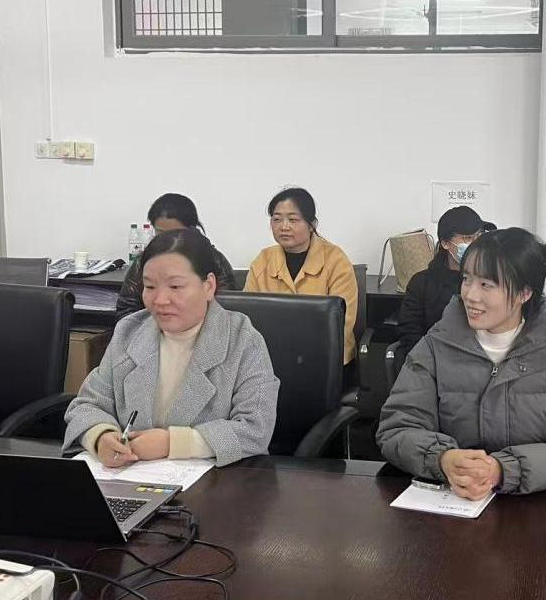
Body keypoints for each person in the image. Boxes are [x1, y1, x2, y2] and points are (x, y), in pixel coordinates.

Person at [377, 228, 546, 499]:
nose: (470, 295)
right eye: (466, 279)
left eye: (486, 285)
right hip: (451, 501)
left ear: (524, 293)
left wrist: (503, 470)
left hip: (539, 507)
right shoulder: (435, 346)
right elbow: (398, 426)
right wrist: (442, 458)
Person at [65, 227, 279, 467]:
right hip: (130, 478)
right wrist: (101, 436)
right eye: (150, 287)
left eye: (175, 287)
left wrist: (173, 443)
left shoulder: (242, 339)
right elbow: (87, 405)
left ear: (208, 286)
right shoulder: (129, 332)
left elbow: (255, 430)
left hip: (216, 482)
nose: (160, 300)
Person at [245, 187, 358, 365]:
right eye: (276, 219)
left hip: (326, 358)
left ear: (311, 224)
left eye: (293, 219)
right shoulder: (263, 260)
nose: (284, 227)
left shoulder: (336, 260)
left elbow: (342, 323)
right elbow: (247, 316)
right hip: (272, 356)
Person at [116, 193, 238, 321]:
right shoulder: (146, 260)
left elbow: (227, 308)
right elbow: (126, 308)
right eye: (161, 233)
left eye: (176, 286)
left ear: (191, 229)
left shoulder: (213, 259)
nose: (169, 240)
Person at [395, 206, 492, 365]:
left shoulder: (493, 281)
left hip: (481, 365)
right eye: (468, 238)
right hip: (433, 364)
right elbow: (410, 334)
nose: (476, 243)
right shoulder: (422, 283)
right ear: (446, 243)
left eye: (480, 236)